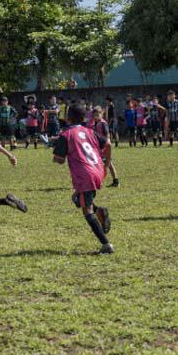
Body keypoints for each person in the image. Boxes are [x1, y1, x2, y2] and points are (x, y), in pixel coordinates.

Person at [53, 105, 114, 254]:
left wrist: (56, 149)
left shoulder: (66, 135)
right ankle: (100, 211)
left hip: (85, 174)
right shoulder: (90, 131)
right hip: (97, 170)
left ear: (68, 118)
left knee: (87, 211)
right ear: (83, 118)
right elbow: (108, 144)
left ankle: (106, 245)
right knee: (77, 199)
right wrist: (106, 165)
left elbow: (59, 160)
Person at [89, 107, 120, 187]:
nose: (96, 116)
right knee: (97, 164)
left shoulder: (103, 123)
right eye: (94, 115)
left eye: (97, 115)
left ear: (101, 115)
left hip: (104, 148)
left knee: (109, 164)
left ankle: (116, 181)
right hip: (97, 148)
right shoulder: (94, 123)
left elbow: (107, 134)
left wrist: (108, 143)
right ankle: (98, 181)